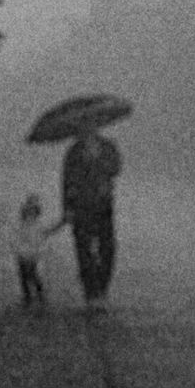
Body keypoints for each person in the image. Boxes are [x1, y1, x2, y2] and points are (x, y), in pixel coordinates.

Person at [61, 128, 122, 307]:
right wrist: (66, 208)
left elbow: (116, 169)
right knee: (83, 250)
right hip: (80, 205)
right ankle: (90, 291)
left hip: (103, 206)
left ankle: (102, 287)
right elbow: (66, 180)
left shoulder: (108, 147)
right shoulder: (73, 151)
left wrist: (99, 158)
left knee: (107, 248)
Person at [11, 193, 60, 309]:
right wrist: (18, 250)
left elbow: (48, 230)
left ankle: (40, 295)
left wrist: (58, 225)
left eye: (33, 210)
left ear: (36, 211)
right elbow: (16, 238)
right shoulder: (21, 225)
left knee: (33, 275)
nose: (30, 213)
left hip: (33, 254)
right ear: (25, 211)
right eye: (28, 210)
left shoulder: (39, 225)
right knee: (23, 276)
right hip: (22, 254)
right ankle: (27, 297)